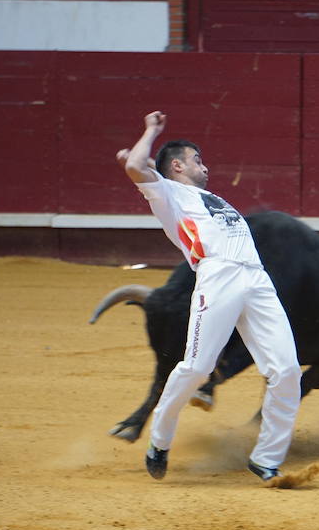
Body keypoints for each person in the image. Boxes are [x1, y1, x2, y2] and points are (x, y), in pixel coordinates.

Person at [117, 111, 302, 483]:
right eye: (198, 160)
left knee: (287, 370)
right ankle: (159, 440)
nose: (206, 167)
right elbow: (136, 165)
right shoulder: (168, 193)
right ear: (178, 165)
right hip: (218, 276)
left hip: (257, 278)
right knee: (197, 367)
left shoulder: (204, 195)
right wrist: (152, 130)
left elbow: (140, 163)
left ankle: (266, 459)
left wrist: (144, 161)